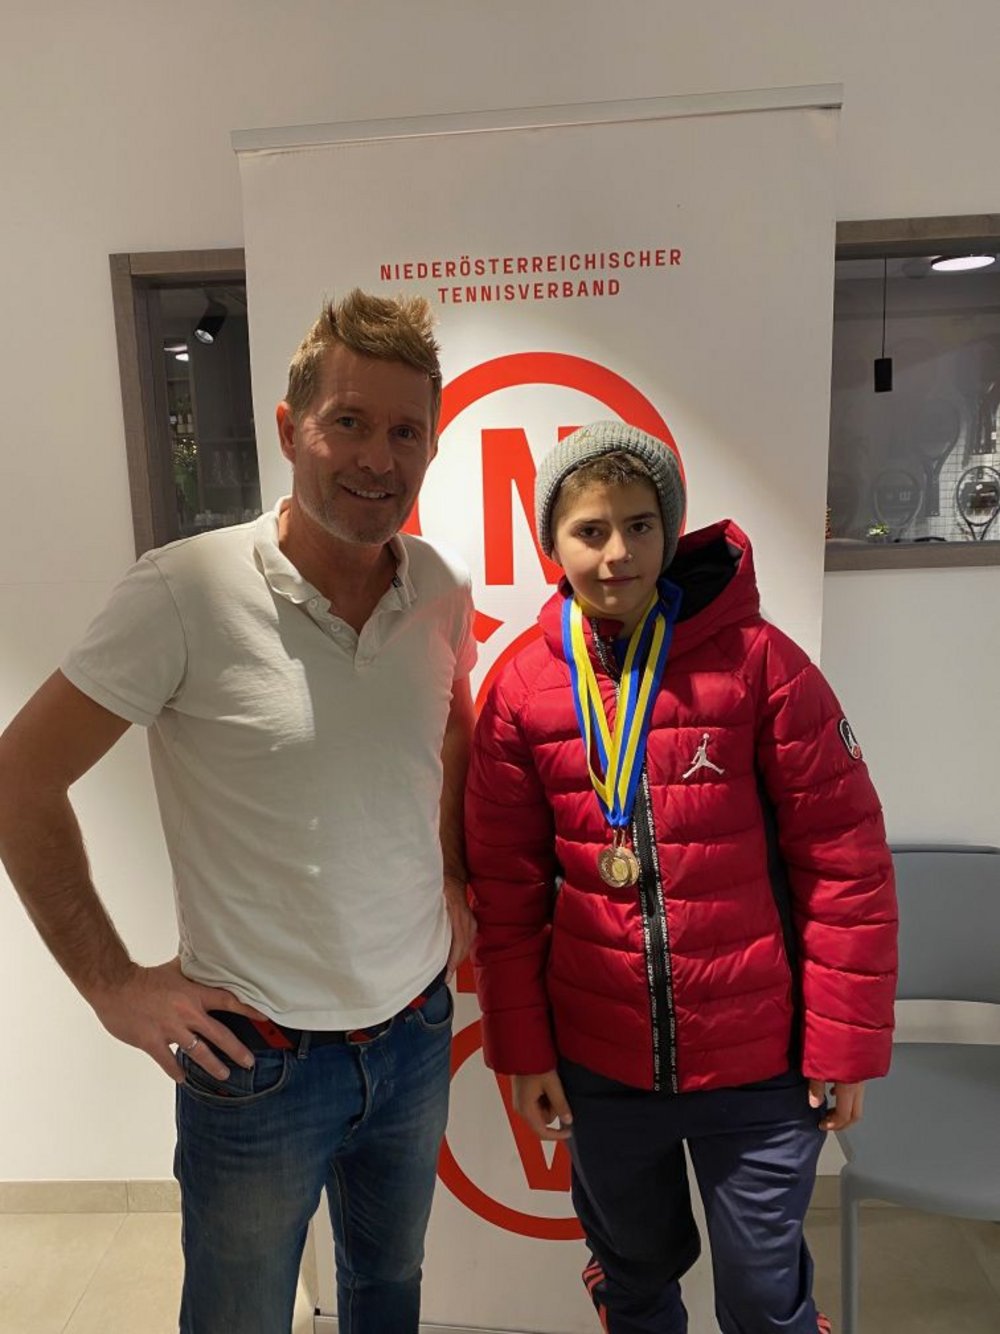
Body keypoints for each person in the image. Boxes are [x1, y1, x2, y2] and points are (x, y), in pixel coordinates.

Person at [0, 289, 477, 1334]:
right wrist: (110, 984)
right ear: (289, 428)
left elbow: (449, 734)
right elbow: (16, 780)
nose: (378, 457)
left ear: (432, 447)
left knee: (389, 1287)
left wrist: (449, 871)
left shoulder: (441, 588)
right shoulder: (184, 592)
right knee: (239, 1315)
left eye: (406, 431)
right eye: (348, 421)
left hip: (413, 1033)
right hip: (257, 1061)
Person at [465, 419, 897, 1334]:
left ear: (670, 530)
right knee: (635, 1280)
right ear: (552, 545)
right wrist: (526, 1051)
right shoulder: (523, 691)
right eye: (590, 531)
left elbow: (844, 860)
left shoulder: (760, 665)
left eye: (640, 525)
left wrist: (843, 1042)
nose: (617, 554)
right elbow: (503, 894)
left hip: (760, 1064)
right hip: (602, 1064)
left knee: (765, 1296)